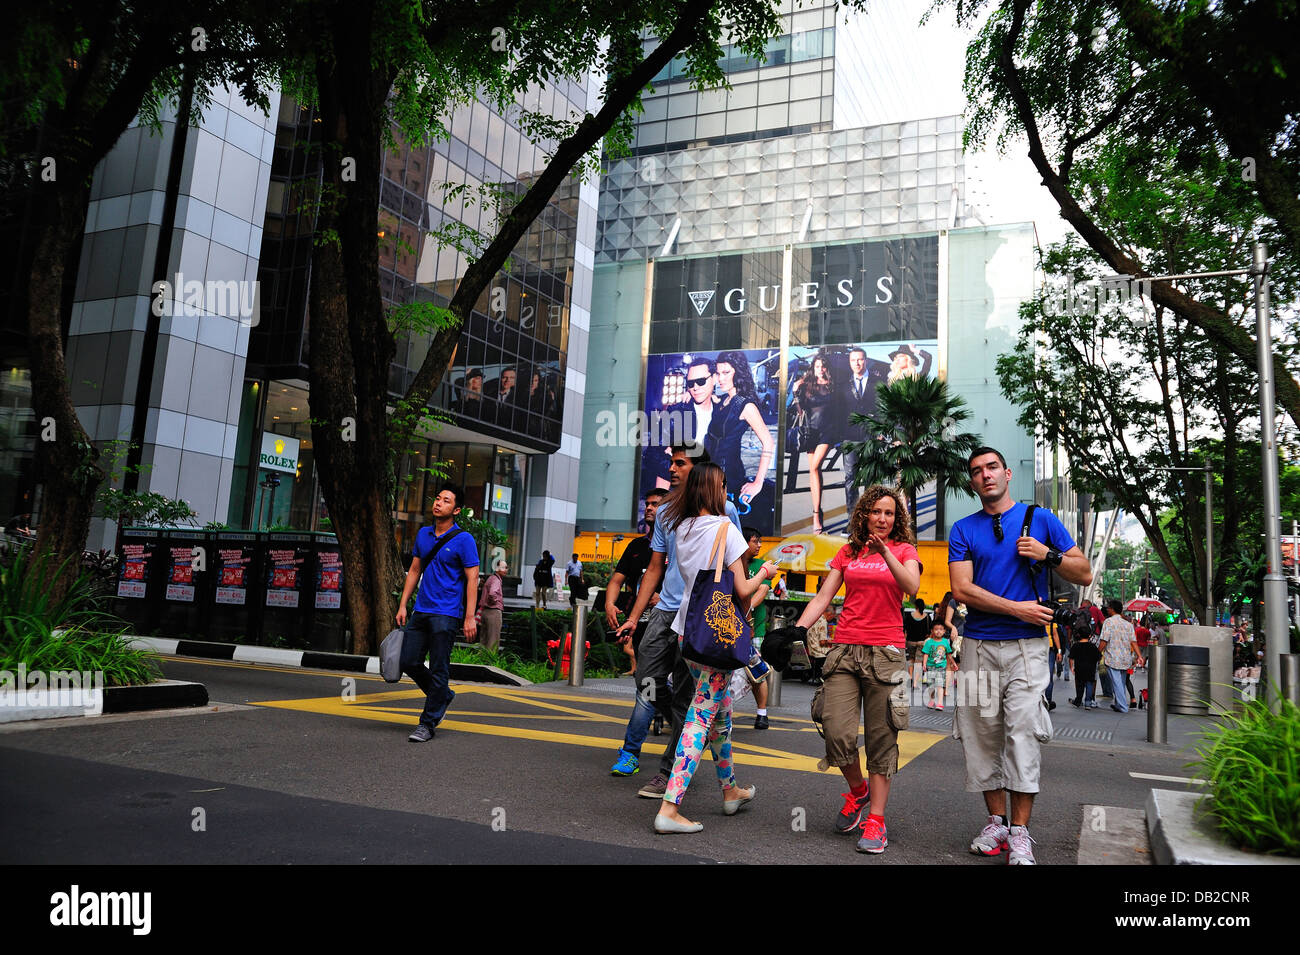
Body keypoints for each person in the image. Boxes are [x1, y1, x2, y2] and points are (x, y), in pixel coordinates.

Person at [948, 447, 1092, 864]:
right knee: (982, 736)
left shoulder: (1040, 519)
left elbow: (1082, 571)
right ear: (972, 482)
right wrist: (1018, 608)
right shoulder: (963, 529)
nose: (985, 475)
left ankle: (1021, 832)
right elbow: (962, 590)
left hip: (1028, 650)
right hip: (977, 646)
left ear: (1007, 473)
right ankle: (996, 823)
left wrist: (1047, 554)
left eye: (992, 467)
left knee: (1022, 734)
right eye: (976, 471)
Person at [788, 484, 921, 854]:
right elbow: (823, 596)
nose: (882, 518)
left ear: (898, 519)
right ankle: (858, 791)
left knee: (882, 739)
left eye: (890, 513)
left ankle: (876, 820)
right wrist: (797, 630)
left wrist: (885, 554)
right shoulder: (848, 552)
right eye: (876, 511)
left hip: (886, 653)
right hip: (845, 649)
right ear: (864, 513)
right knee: (835, 729)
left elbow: (911, 586)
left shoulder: (904, 550)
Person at [650, 462, 776, 834]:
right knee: (701, 715)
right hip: (717, 636)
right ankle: (670, 808)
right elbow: (742, 591)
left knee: (719, 715)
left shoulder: (683, 527)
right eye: (724, 485)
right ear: (714, 489)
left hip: (689, 632)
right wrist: (764, 574)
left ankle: (731, 791)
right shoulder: (726, 529)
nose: (727, 490)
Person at [614, 443, 743, 800]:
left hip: (700, 618)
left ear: (698, 471)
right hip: (665, 611)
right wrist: (635, 616)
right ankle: (684, 725)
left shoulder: (725, 508)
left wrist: (732, 613)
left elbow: (735, 566)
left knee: (689, 698)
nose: (671, 469)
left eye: (679, 463)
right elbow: (656, 566)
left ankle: (669, 771)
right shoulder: (668, 511)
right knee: (647, 680)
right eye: (671, 463)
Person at [396, 485, 480, 742]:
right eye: (437, 498)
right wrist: (403, 604)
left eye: (446, 501)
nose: (438, 503)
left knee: (439, 666)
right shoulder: (423, 534)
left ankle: (427, 723)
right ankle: (442, 695)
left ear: (455, 510)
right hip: (421, 610)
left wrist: (469, 617)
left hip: (447, 613)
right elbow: (414, 571)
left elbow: (473, 578)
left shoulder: (464, 540)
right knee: (408, 661)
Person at [606, 488, 667, 776]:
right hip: (643, 626)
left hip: (676, 627)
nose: (650, 508)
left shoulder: (679, 545)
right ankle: (631, 752)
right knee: (646, 688)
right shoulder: (636, 547)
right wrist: (609, 602)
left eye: (657, 504)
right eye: (649, 503)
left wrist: (666, 597)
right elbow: (617, 580)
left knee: (665, 691)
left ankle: (680, 740)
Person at [707, 351, 775, 512]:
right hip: (710, 476)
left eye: (726, 373)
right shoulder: (724, 400)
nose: (720, 378)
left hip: (729, 477)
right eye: (718, 373)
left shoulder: (746, 405)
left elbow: (768, 442)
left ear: (738, 372)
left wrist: (758, 482)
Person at [789, 354, 837, 533]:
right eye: (817, 366)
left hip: (827, 432)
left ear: (827, 368)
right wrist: (795, 392)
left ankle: (816, 514)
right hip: (811, 431)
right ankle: (817, 512)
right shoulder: (807, 385)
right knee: (814, 471)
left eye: (823, 366)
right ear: (813, 368)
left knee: (815, 467)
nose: (820, 369)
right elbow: (800, 412)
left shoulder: (833, 386)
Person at [840, 347, 876, 514]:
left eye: (860, 359)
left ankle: (868, 515)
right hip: (850, 437)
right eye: (853, 360)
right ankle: (852, 518)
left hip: (871, 438)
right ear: (849, 362)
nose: (857, 363)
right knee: (850, 478)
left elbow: (883, 409)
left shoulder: (878, 382)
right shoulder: (843, 385)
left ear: (866, 360)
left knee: (870, 478)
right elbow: (838, 411)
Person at [743, 526, 772, 729]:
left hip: (756, 630)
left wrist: (744, 610)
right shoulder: (733, 563)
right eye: (755, 541)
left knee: (757, 671)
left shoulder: (764, 565)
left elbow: (762, 591)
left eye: (759, 541)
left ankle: (762, 713)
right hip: (732, 628)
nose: (759, 545)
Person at [1099, 600, 1144, 713]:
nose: (1107, 609)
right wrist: (1140, 656)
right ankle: (1119, 704)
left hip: (1113, 658)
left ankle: (1123, 706)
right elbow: (1133, 642)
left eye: (1108, 608)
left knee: (1117, 683)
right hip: (1125, 658)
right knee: (1121, 682)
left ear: (1112, 609)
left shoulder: (1108, 622)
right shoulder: (1128, 624)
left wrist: (1097, 652)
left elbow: (1104, 640)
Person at [921, 622, 957, 710]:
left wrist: (953, 663)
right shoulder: (929, 642)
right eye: (936, 629)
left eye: (941, 629)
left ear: (944, 631)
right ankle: (932, 700)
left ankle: (940, 703)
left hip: (941, 667)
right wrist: (924, 664)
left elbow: (948, 654)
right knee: (931, 686)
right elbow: (925, 654)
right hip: (930, 667)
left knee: (940, 685)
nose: (938, 631)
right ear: (932, 631)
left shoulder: (945, 642)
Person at [475, 559, 508, 652]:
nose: (506, 570)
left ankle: (482, 661)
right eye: (504, 568)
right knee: (493, 640)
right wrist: (496, 602)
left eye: (506, 568)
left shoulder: (490, 578)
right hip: (493, 612)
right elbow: (492, 593)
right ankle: (490, 663)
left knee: (484, 640)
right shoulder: (496, 580)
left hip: (485, 612)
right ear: (497, 569)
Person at [1069, 630, 1101, 708]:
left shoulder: (1075, 645)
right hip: (1090, 669)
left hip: (1079, 669)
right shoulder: (1092, 646)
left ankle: (1078, 701)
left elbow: (1071, 658)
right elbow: (1099, 657)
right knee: (1089, 684)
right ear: (1089, 636)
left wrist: (1071, 667)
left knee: (1080, 685)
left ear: (1079, 635)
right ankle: (1088, 703)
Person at [903, 597, 931, 671]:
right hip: (922, 643)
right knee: (918, 662)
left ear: (915, 606)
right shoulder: (927, 617)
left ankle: (911, 677)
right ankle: (916, 682)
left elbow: (905, 630)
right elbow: (930, 631)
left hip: (910, 642)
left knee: (910, 660)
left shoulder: (909, 616)